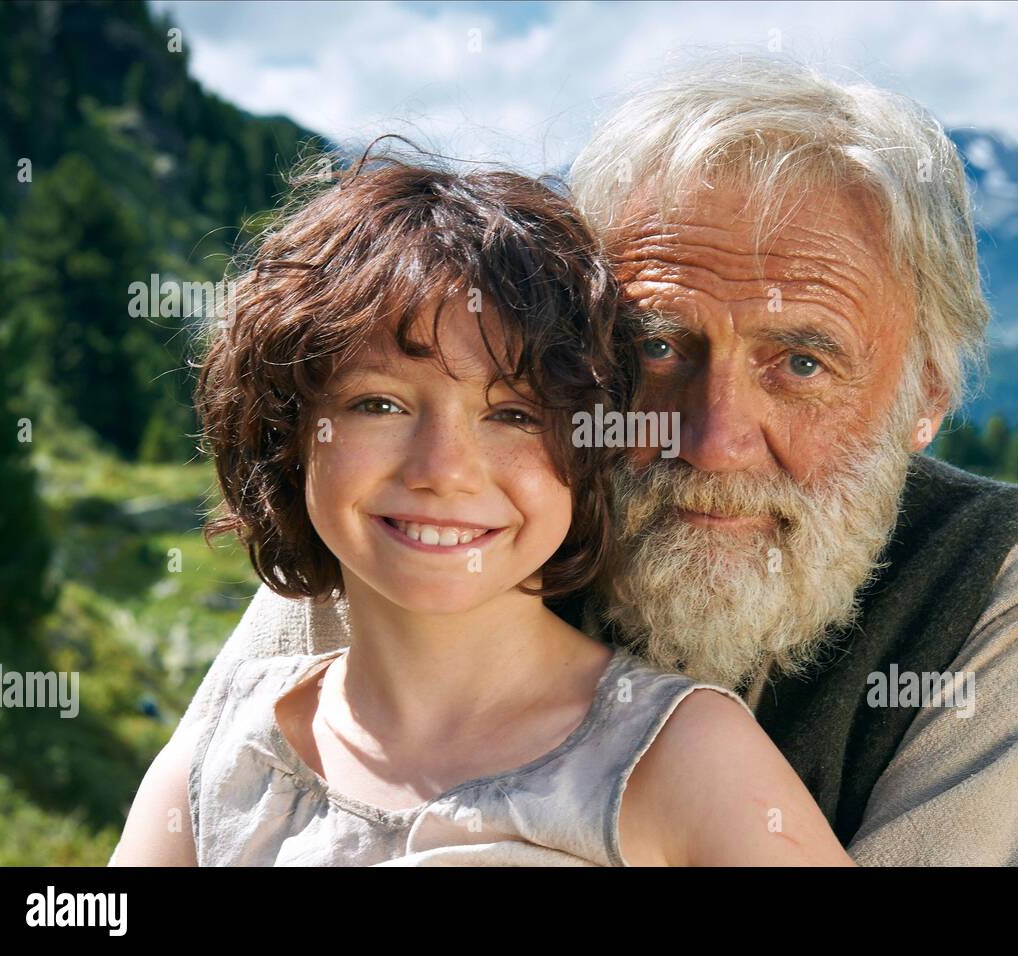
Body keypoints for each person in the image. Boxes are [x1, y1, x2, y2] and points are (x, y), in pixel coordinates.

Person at [167, 54, 1018, 866]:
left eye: (801, 363)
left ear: (927, 397)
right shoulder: (434, 521)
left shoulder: (1007, 598)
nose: (712, 438)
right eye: (659, 345)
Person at [108, 146, 856, 866]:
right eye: (380, 404)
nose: (445, 470)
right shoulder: (222, 755)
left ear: (591, 452)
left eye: (515, 416)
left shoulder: (684, 755)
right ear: (288, 437)